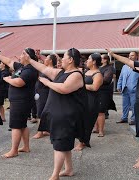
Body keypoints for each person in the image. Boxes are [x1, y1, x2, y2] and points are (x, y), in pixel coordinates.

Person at [23, 48, 86, 180]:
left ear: (70, 60)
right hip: (59, 114)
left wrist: (47, 83)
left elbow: (64, 89)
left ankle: (55, 175)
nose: (61, 59)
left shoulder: (76, 75)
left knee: (60, 144)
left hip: (67, 116)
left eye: (64, 57)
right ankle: (68, 169)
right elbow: (44, 69)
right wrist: (30, 60)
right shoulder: (61, 72)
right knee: (64, 143)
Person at [0, 48, 38, 158]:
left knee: (16, 126)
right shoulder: (21, 67)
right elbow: (8, 61)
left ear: (28, 57)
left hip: (21, 101)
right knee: (22, 125)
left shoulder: (30, 70)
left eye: (23, 54)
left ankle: (14, 150)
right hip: (19, 101)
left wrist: (7, 79)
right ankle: (26, 147)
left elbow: (19, 82)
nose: (20, 56)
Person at [74, 53, 103, 151]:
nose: (87, 61)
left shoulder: (98, 74)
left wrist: (80, 85)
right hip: (82, 99)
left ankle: (83, 142)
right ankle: (82, 140)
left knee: (87, 121)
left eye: (89, 59)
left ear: (94, 62)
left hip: (91, 101)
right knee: (80, 120)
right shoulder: (86, 71)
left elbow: (95, 87)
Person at [32, 54, 57, 139]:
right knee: (42, 111)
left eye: (46, 59)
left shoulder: (52, 70)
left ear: (50, 61)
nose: (45, 60)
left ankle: (40, 132)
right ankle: (45, 130)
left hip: (45, 93)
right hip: (40, 92)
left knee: (40, 112)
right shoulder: (45, 69)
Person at [93, 54, 115, 137]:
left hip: (104, 92)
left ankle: (101, 131)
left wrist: (96, 79)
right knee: (95, 111)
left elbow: (106, 79)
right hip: (96, 91)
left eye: (101, 58)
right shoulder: (99, 68)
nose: (100, 60)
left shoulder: (109, 68)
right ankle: (96, 128)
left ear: (106, 60)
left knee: (101, 112)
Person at [116, 52, 139, 125]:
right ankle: (124, 118)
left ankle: (133, 119)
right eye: (129, 56)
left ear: (136, 56)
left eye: (132, 55)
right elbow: (121, 77)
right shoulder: (124, 66)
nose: (130, 57)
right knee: (125, 105)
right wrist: (119, 85)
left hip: (134, 89)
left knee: (133, 105)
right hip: (125, 88)